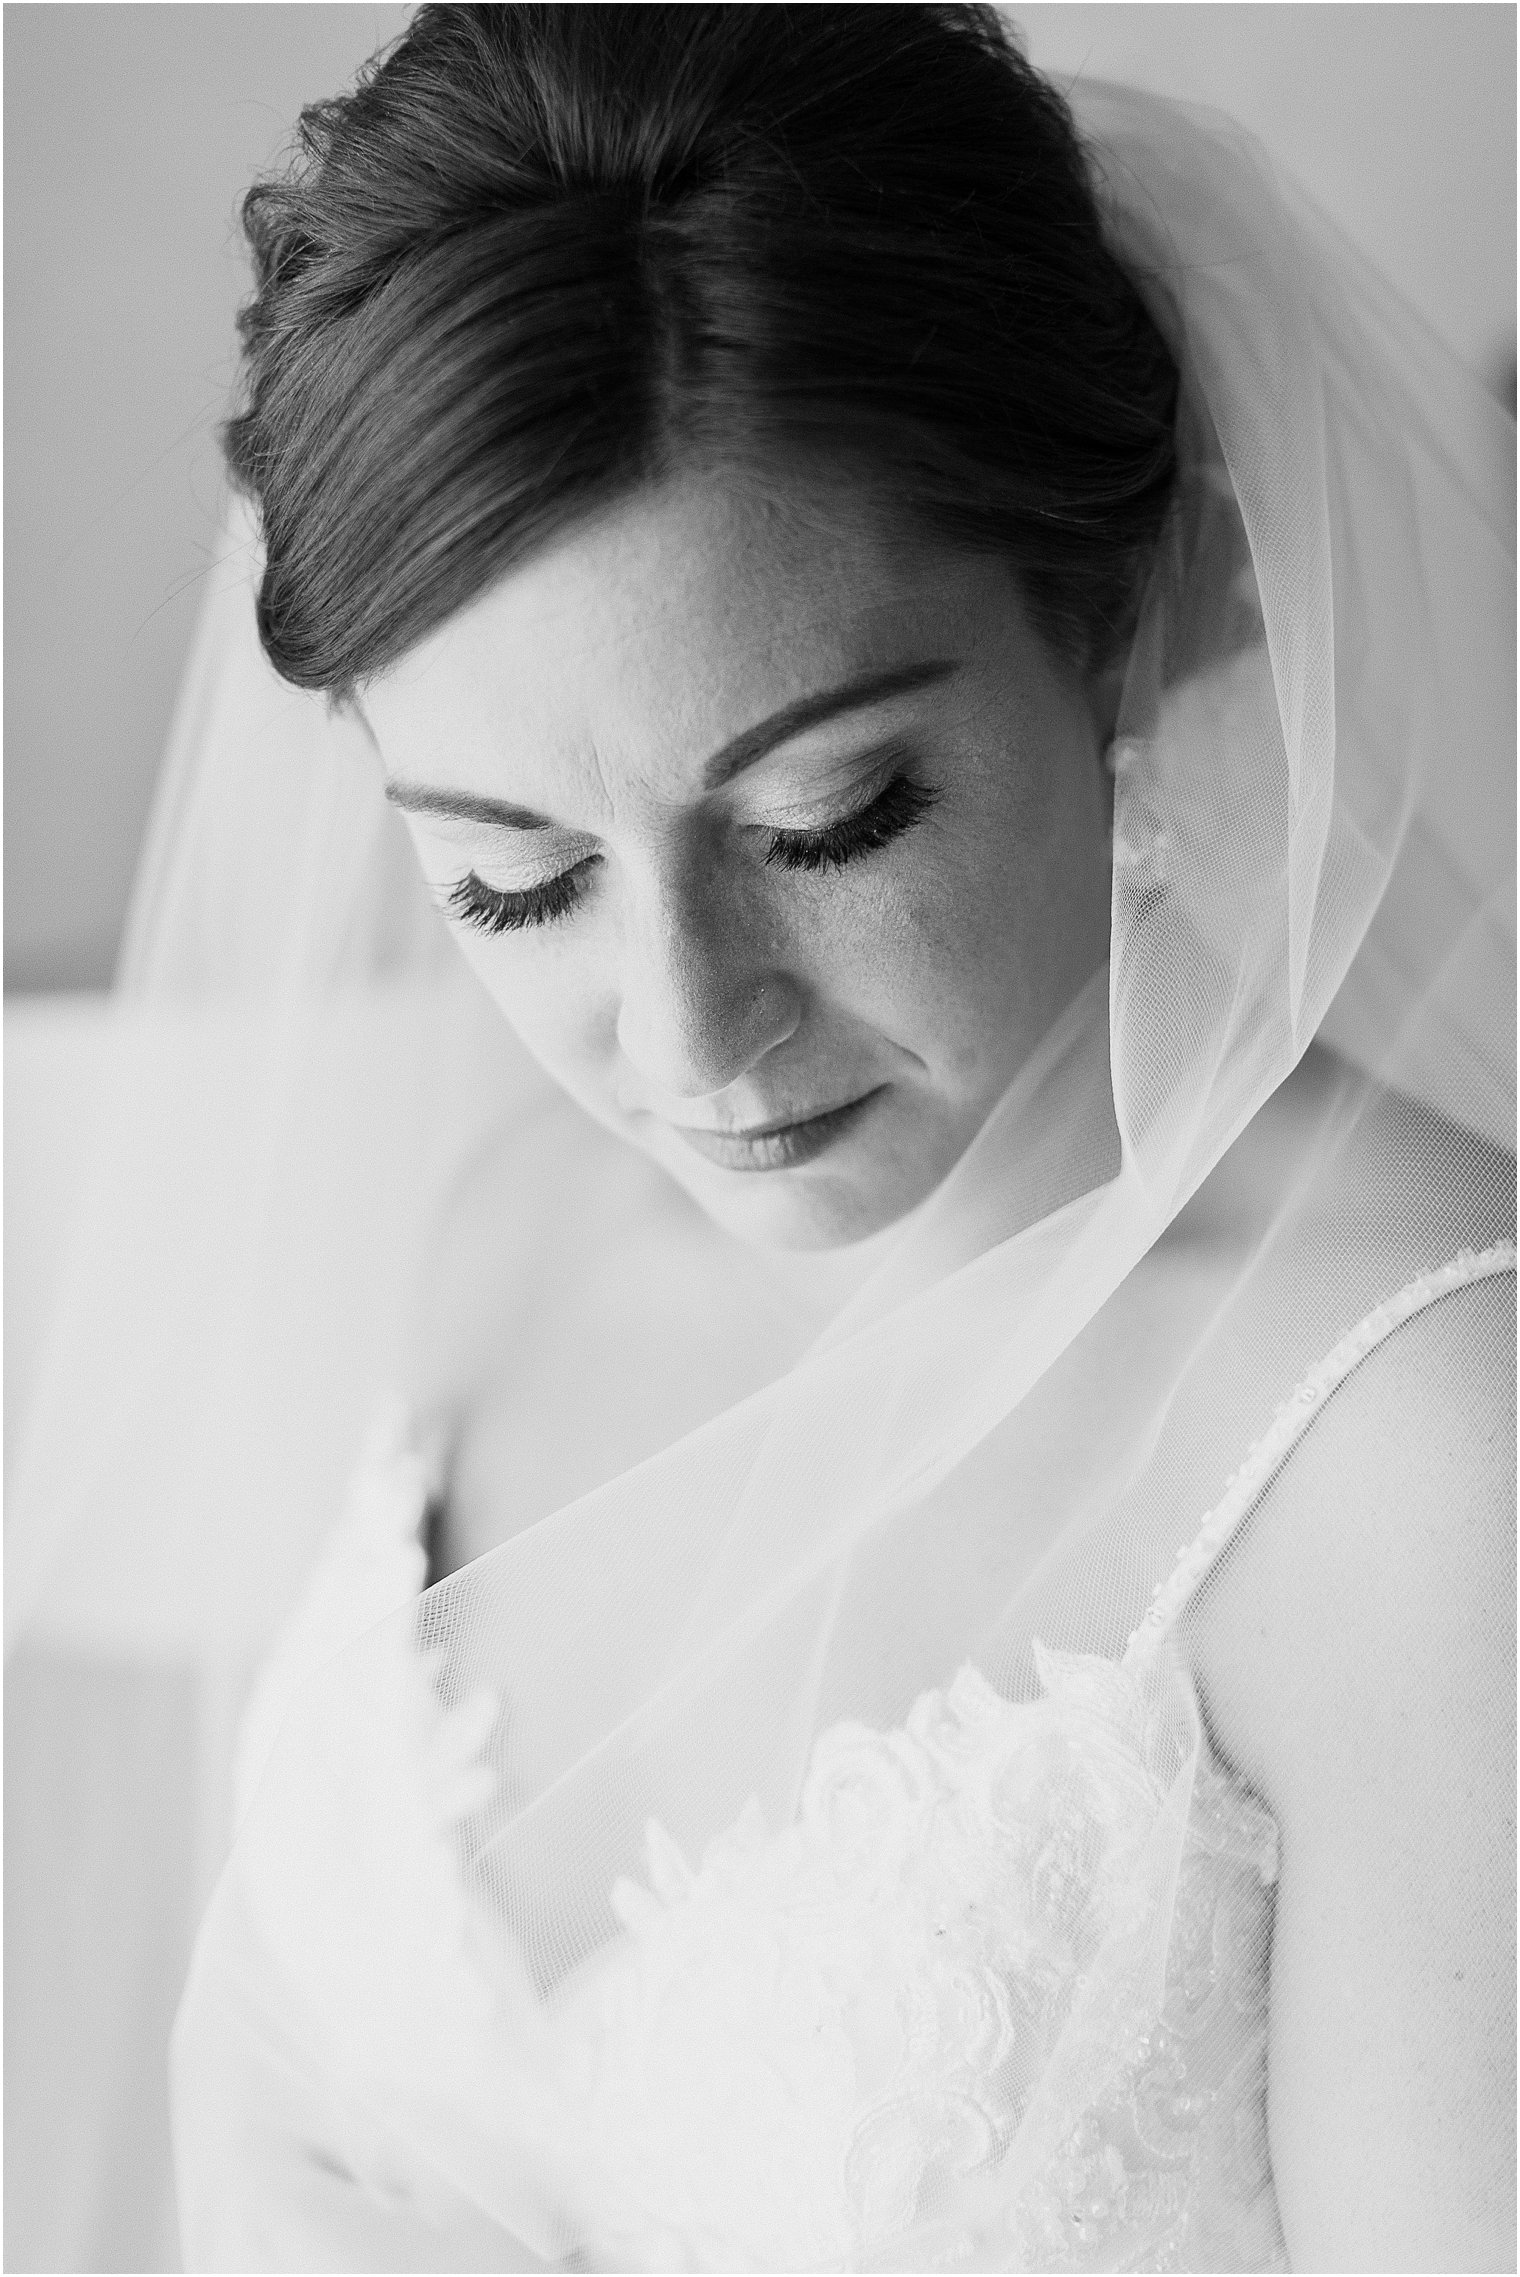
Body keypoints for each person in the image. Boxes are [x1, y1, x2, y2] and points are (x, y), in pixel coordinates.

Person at [31, 5, 1511, 2268]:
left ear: (1131, 616)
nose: (687, 1038)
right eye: (512, 878)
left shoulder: (1428, 1452)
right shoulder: (510, 1219)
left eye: (830, 817)